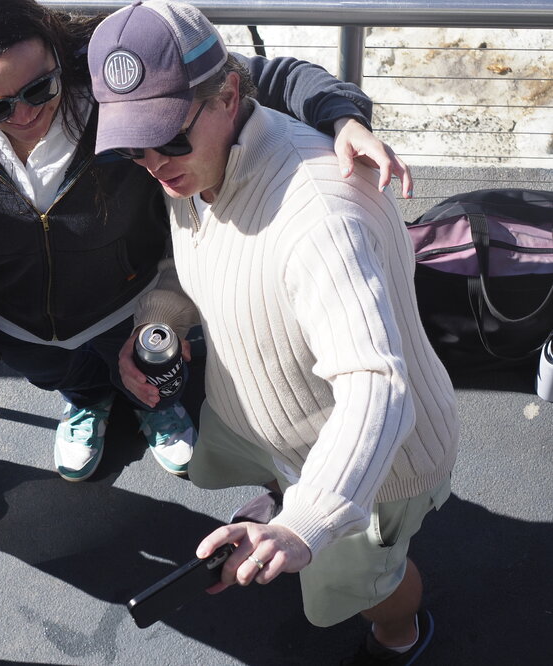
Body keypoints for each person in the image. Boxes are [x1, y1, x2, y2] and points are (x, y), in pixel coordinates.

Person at [0, 0, 414, 483]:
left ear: (56, 53)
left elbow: (259, 78)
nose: (23, 116)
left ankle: (158, 408)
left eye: (39, 89)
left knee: (155, 369)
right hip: (15, 316)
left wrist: (343, 117)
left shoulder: (103, 61)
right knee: (69, 377)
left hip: (126, 295)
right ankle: (87, 404)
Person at [89, 1, 457, 663]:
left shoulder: (319, 216)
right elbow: (197, 262)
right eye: (133, 146)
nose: (153, 162)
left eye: (168, 137)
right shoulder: (197, 168)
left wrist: (304, 522)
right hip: (276, 426)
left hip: (379, 464)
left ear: (227, 94)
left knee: (368, 583)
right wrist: (157, 321)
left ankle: (399, 636)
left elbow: (378, 389)